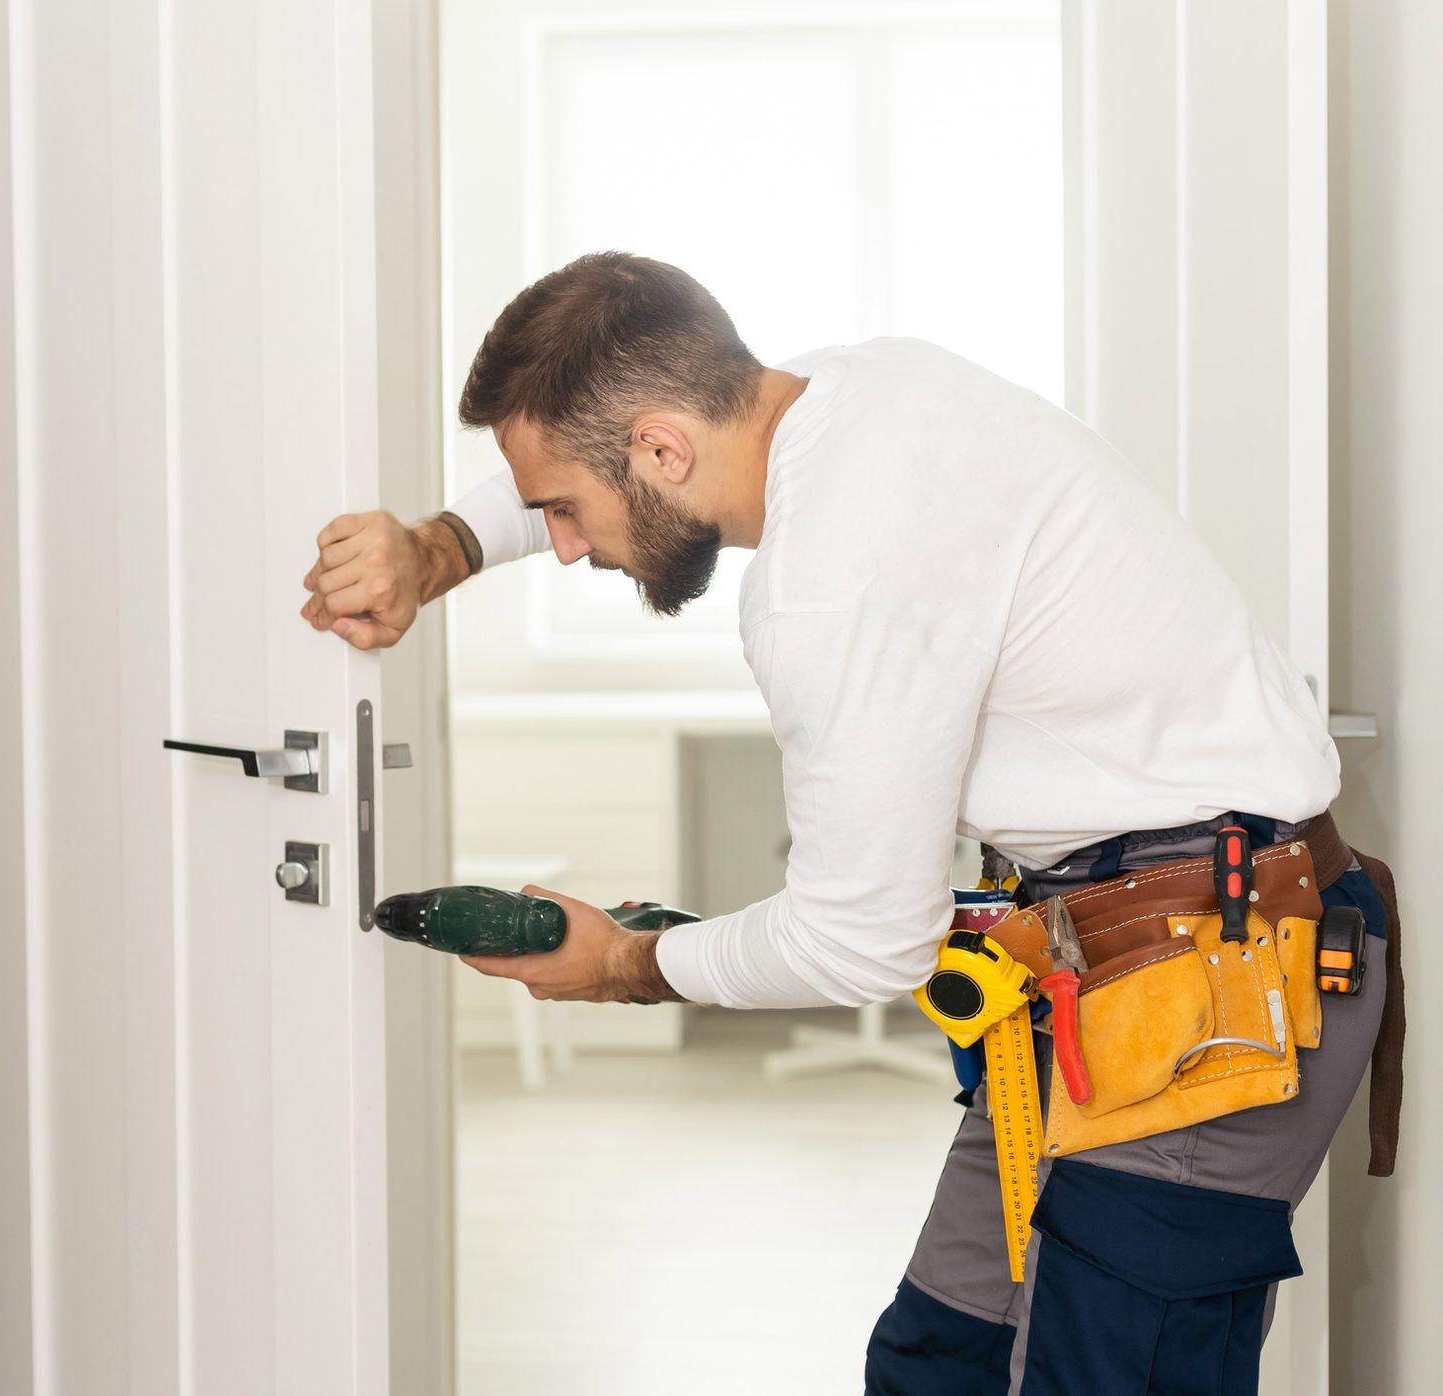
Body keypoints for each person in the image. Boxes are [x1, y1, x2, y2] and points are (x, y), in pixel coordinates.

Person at [299, 252, 1401, 1394]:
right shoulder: (855, 391)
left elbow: (862, 935)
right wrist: (442, 548)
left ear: (665, 449)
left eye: (565, 513)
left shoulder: (828, 584)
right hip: (1095, 980)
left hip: (1216, 993)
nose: (567, 546)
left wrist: (626, 963)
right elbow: (584, 454)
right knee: (937, 1364)